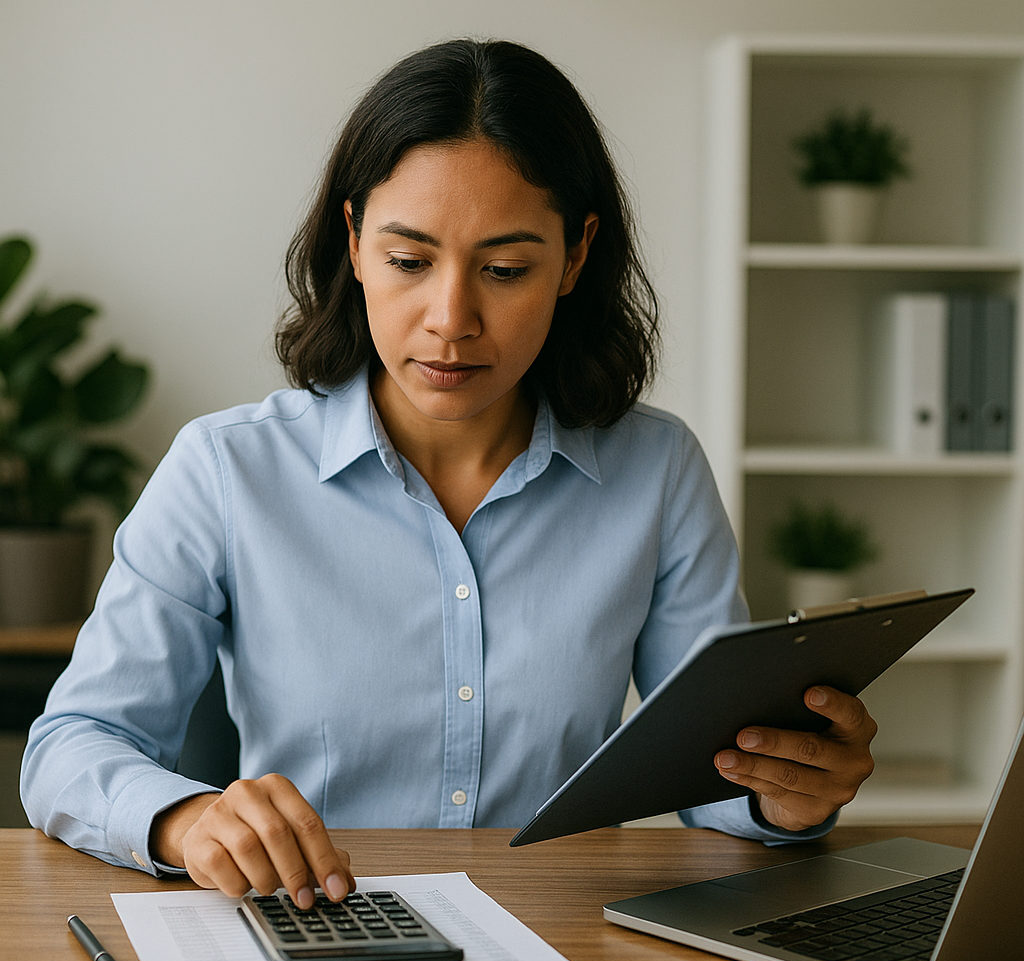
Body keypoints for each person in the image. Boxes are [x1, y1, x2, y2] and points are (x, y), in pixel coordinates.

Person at [21, 39, 876, 912]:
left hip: (564, 940)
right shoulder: (225, 468)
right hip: (319, 928)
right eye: (408, 261)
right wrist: (187, 820)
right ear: (353, 244)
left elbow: (710, 771)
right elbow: (72, 745)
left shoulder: (657, 471)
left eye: (506, 270)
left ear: (576, 258)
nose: (451, 321)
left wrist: (782, 793)